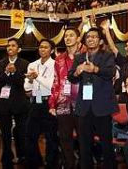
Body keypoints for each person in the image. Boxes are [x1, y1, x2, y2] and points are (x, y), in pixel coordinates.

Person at [68, 27, 118, 169]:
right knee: (84, 145)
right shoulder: (79, 57)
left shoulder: (107, 55)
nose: (90, 39)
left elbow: (110, 72)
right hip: (84, 107)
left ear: (100, 40)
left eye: (94, 37)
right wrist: (77, 73)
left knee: (106, 144)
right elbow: (71, 77)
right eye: (88, 37)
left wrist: (95, 69)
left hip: (102, 106)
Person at [0, 38, 30, 169]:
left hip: (20, 103)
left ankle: (23, 156)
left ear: (18, 49)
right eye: (8, 46)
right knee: (5, 133)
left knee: (21, 132)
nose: (10, 48)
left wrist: (15, 72)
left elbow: (24, 84)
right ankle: (7, 157)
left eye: (13, 46)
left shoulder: (26, 64)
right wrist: (6, 73)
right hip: (3, 103)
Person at [49, 27, 81, 169]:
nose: (68, 38)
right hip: (63, 104)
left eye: (71, 35)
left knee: (84, 139)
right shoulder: (59, 59)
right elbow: (56, 83)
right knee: (65, 139)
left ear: (78, 38)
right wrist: (52, 104)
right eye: (66, 36)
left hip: (82, 104)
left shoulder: (86, 56)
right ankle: (69, 165)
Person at [24, 39, 58, 168]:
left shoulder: (55, 65)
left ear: (52, 50)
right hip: (35, 102)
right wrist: (30, 81)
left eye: (45, 47)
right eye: (40, 47)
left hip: (49, 102)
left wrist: (37, 77)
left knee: (51, 136)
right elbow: (27, 86)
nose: (42, 49)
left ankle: (51, 163)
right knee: (30, 134)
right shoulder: (32, 64)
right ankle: (35, 161)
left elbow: (51, 86)